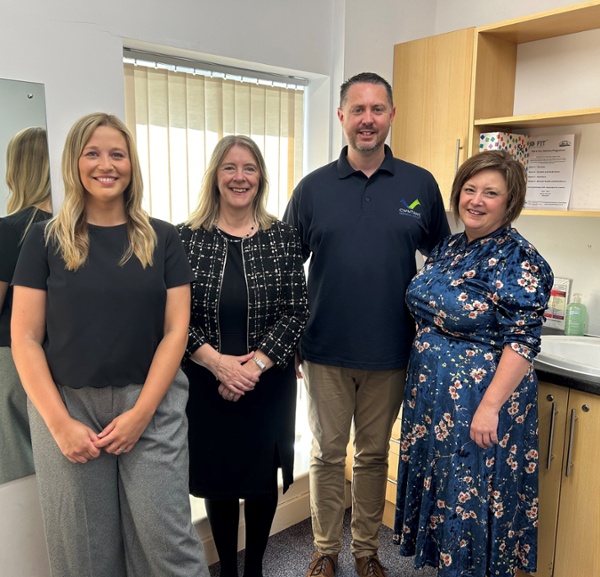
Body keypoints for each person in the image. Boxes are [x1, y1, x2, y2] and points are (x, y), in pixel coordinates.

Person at [11, 112, 210, 577]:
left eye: (117, 154)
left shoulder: (162, 237)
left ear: (131, 164)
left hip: (152, 404)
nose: (106, 164)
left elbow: (175, 332)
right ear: (74, 163)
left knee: (167, 545)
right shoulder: (44, 239)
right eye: (93, 153)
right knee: (84, 554)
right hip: (67, 407)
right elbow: (24, 337)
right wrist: (59, 424)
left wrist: (141, 414)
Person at [283, 72, 450, 577]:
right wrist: (290, 339)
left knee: (374, 456)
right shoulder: (313, 189)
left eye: (377, 109)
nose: (367, 120)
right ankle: (324, 549)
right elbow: (288, 268)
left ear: (391, 115)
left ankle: (366, 551)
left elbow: (444, 262)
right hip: (324, 348)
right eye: (357, 110)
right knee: (329, 455)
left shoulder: (419, 185)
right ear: (341, 117)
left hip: (392, 350)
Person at [393, 150, 554, 577]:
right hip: (434, 399)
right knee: (448, 494)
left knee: (472, 500)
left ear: (510, 201)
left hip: (479, 403)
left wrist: (489, 407)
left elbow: (522, 342)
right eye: (470, 189)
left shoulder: (520, 259)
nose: (476, 200)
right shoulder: (449, 246)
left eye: (491, 193)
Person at [177, 135, 309, 577]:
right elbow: (174, 317)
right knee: (217, 478)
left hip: (267, 382)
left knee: (258, 481)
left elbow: (296, 312)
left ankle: (254, 569)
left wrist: (251, 367)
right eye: (230, 167)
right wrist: (218, 363)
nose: (240, 177)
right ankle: (228, 572)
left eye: (249, 168)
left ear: (261, 178)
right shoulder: (185, 239)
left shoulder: (284, 238)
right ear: (215, 176)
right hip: (205, 380)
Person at [0, 126, 52, 484]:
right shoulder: (75, 228)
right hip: (62, 358)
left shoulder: (10, 230)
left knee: (19, 469)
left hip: (12, 360)